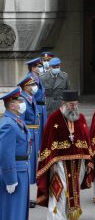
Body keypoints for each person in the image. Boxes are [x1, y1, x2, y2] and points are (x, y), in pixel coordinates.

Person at [36, 90, 93, 220]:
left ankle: (69, 217)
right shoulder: (54, 118)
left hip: (79, 164)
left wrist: (89, 160)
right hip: (60, 164)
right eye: (71, 104)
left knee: (74, 192)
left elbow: (86, 140)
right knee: (59, 192)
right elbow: (47, 143)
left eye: (75, 104)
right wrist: (51, 163)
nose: (74, 107)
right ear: (63, 103)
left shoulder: (81, 118)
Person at [0, 87, 30, 220]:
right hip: (15, 173)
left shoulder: (16, 121)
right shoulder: (8, 124)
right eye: (19, 101)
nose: (22, 104)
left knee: (20, 210)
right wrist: (10, 179)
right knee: (13, 211)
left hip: (22, 169)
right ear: (12, 105)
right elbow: (5, 154)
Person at [17, 76, 41, 208]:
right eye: (31, 84)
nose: (34, 86)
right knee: (28, 167)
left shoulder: (30, 99)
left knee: (32, 168)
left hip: (34, 134)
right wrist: (27, 137)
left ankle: (28, 197)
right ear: (26, 86)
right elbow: (21, 121)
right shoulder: (23, 101)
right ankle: (26, 198)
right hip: (29, 135)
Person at [26, 57, 47, 144]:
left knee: (43, 132)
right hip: (36, 107)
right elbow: (29, 95)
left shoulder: (38, 77)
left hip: (42, 108)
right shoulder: (30, 79)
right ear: (33, 68)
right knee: (38, 133)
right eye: (39, 66)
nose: (41, 68)